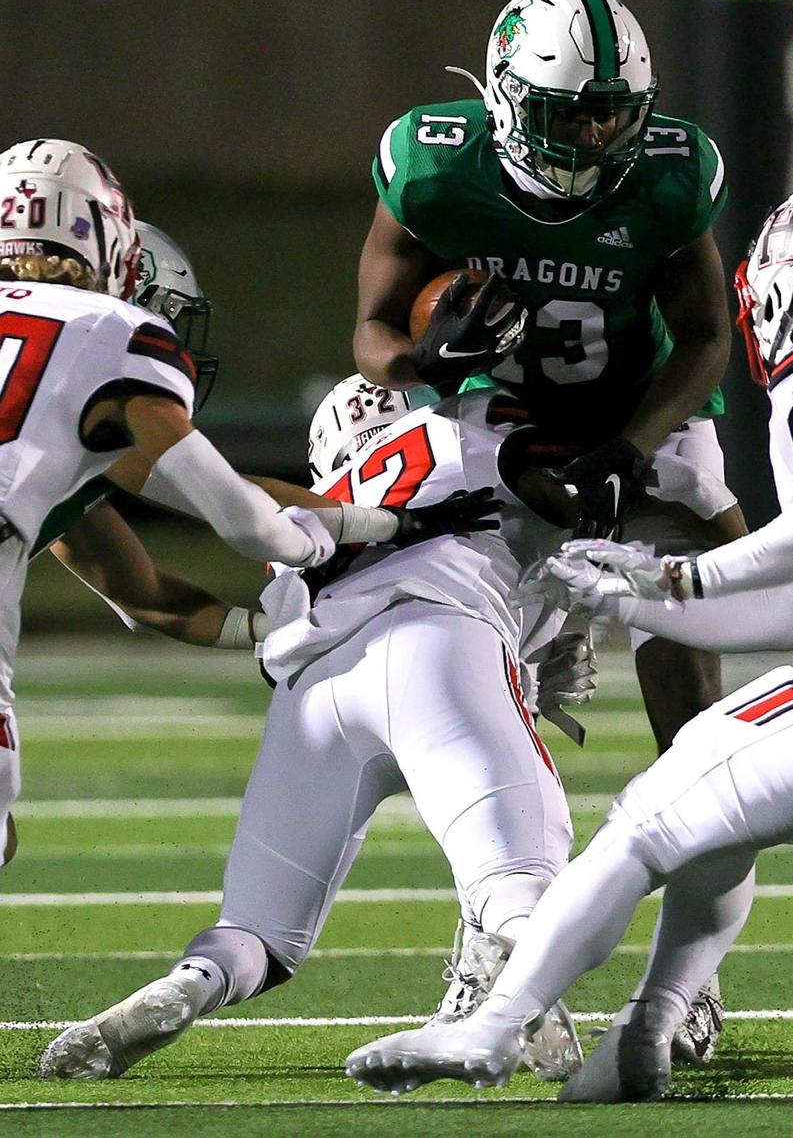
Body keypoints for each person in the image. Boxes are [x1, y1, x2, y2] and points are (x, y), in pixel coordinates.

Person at [339, 182, 793, 1105]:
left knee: (648, 817)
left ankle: (492, 1026)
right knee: (714, 812)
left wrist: (683, 576)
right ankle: (647, 1030)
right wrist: (636, 601)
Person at [40, 377, 740, 1082]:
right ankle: (526, 995)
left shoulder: (313, 501)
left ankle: (192, 980)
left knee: (257, 932)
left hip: (311, 686)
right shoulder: (485, 432)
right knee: (518, 884)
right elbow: (615, 520)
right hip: (442, 644)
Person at [352, 0, 744, 1060]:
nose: (596, 131)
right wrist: (425, 368)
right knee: (475, 660)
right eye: (571, 109)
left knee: (694, 651)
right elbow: (377, 328)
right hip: (502, 413)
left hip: (643, 410)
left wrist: (630, 451)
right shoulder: (435, 163)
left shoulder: (668, 176)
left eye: (614, 110)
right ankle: (496, 932)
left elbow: (706, 336)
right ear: (506, 95)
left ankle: (691, 975)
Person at [0, 141, 484, 869]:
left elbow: (138, 586)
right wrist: (322, 553)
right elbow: (239, 514)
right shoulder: (103, 332)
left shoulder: (41, 438)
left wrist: (276, 617)